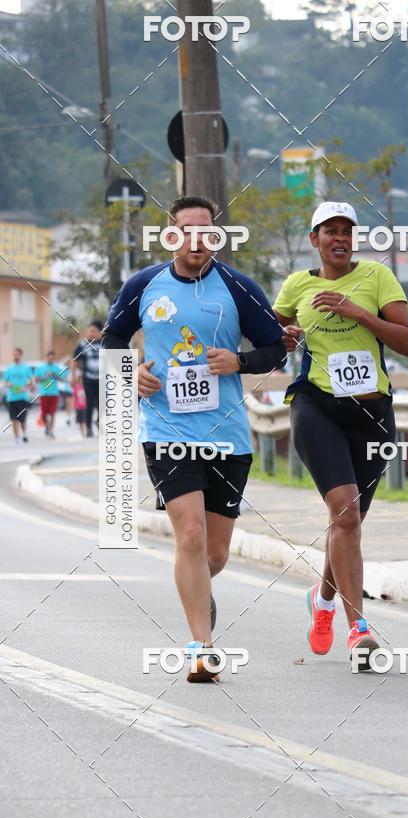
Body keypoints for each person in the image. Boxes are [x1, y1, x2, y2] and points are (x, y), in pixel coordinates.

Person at [103, 195, 286, 682]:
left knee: (215, 554)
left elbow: (274, 349)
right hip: (166, 428)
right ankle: (202, 649)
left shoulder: (237, 289)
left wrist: (240, 362)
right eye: (187, 231)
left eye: (207, 232)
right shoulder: (144, 285)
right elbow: (111, 340)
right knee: (188, 535)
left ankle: (200, 597)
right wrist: (132, 373)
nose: (197, 240)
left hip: (226, 434)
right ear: (171, 235)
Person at [273, 201, 408, 671]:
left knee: (347, 522)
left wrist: (359, 313)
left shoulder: (377, 278)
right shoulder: (297, 284)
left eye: (346, 232)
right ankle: (359, 632)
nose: (339, 238)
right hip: (316, 406)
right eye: (329, 231)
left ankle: (324, 599)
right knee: (346, 514)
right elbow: (272, 337)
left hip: (371, 412)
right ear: (314, 239)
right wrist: (286, 336)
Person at [72, 320, 102, 437]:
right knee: (89, 403)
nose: (91, 333)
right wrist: (73, 377)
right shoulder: (83, 345)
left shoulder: (105, 343)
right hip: (88, 378)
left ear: (100, 332)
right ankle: (89, 428)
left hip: (103, 379)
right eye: (90, 331)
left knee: (102, 403)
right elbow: (75, 361)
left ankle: (100, 421)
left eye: (94, 331)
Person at [4, 347, 34, 443]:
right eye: (14, 354)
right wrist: (8, 384)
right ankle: (17, 438)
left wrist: (26, 387)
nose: (15, 356)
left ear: (21, 355)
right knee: (14, 419)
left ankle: (24, 434)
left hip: (22, 397)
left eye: (17, 354)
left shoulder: (25, 367)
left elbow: (31, 382)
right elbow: (5, 382)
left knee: (22, 419)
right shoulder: (9, 368)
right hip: (11, 397)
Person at [35, 350, 64, 439]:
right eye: (49, 358)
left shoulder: (56, 368)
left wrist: (54, 375)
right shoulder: (40, 368)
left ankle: (51, 431)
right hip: (44, 393)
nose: (51, 360)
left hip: (54, 393)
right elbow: (36, 380)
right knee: (44, 414)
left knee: (52, 413)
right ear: (46, 357)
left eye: (52, 358)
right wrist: (45, 376)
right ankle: (47, 427)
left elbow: (62, 379)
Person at [72, 370, 87, 437]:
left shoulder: (87, 387)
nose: (82, 381)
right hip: (78, 407)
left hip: (85, 407)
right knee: (80, 421)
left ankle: (85, 431)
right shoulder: (77, 387)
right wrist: (73, 405)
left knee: (85, 420)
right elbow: (74, 397)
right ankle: (82, 432)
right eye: (81, 380)